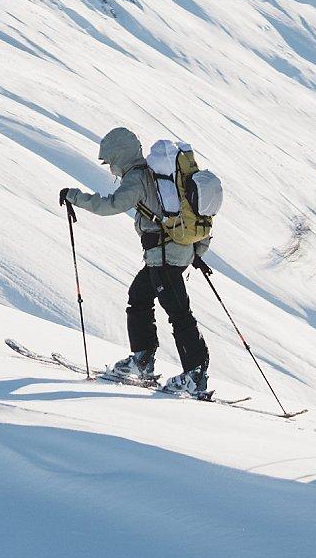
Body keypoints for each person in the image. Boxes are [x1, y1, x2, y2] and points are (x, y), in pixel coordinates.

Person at [58, 126, 211, 398]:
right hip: (167, 255)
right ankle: (142, 359)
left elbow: (110, 205)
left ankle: (195, 374)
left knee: (178, 312)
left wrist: (74, 196)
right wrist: (196, 252)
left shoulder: (137, 177)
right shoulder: (154, 174)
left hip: (164, 257)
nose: (111, 168)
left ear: (120, 155)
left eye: (111, 161)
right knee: (139, 297)